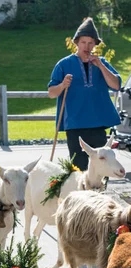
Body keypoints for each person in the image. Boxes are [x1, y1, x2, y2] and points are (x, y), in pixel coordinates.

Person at [48, 17, 121, 171]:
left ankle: (99, 194)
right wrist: (62, 85)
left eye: (90, 43)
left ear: (95, 44)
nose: (86, 46)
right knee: (79, 169)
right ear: (76, 43)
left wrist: (100, 65)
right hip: (75, 125)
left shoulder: (102, 63)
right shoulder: (63, 64)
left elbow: (116, 85)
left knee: (102, 167)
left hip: (98, 124)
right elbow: (51, 93)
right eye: (83, 42)